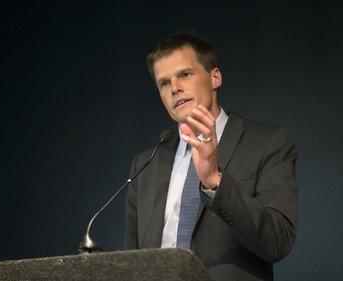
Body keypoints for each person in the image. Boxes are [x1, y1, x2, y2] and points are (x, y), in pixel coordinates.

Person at [125, 31, 297, 281]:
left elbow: (277, 241)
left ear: (215, 77)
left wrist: (215, 181)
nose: (175, 88)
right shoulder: (146, 164)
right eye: (164, 82)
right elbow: (131, 262)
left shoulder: (268, 143)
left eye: (185, 74)